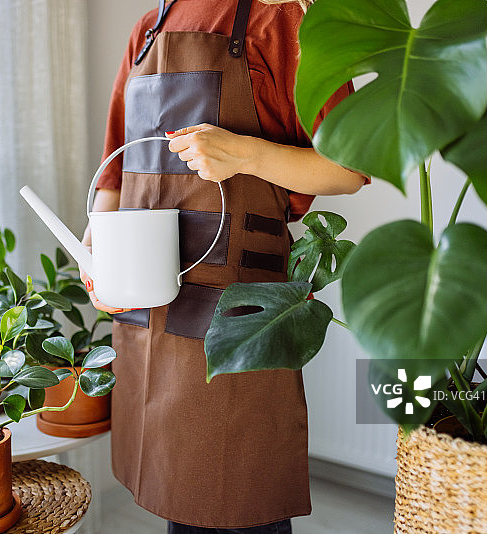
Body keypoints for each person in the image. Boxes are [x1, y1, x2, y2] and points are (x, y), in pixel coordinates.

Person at [81, 1, 365, 532]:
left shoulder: (282, 19)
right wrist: (95, 244)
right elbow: (116, 164)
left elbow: (348, 167)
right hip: (152, 313)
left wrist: (242, 154)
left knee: (238, 497)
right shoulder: (150, 27)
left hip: (234, 306)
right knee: (177, 496)